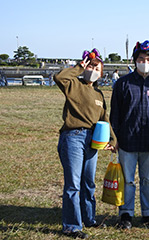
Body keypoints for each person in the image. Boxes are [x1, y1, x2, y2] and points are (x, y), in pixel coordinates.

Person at [110, 40, 149, 229]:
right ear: (134, 60)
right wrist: (114, 139)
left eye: (148, 59)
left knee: (148, 180)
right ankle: (126, 214)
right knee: (127, 180)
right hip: (127, 141)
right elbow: (115, 114)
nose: (144, 62)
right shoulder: (123, 83)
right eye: (140, 59)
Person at [54, 49, 117, 239]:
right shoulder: (74, 84)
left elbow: (104, 119)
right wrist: (80, 67)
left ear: (102, 73)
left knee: (88, 183)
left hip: (93, 141)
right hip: (73, 137)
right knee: (73, 184)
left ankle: (89, 218)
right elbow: (59, 77)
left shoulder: (99, 94)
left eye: (97, 67)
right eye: (91, 65)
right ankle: (72, 226)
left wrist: (112, 139)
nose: (93, 69)